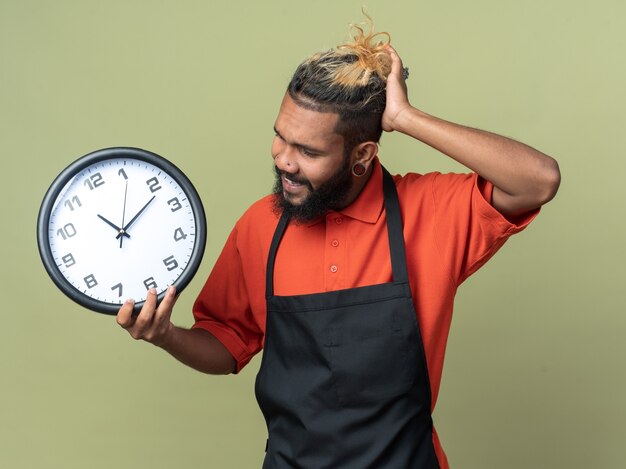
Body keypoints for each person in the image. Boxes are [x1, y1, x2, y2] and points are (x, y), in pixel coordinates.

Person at [116, 20, 560, 469]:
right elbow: (226, 344)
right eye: (280, 137)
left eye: (308, 152)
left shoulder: (429, 212)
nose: (284, 159)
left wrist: (405, 118)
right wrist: (165, 336)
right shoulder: (260, 226)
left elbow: (538, 181)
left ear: (362, 155)